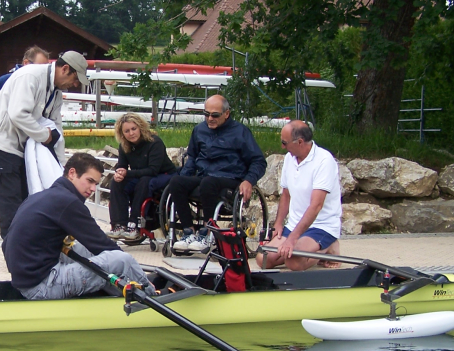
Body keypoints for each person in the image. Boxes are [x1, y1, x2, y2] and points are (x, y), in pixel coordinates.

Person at [2, 152, 157, 300]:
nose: (93, 189)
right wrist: (134, 272)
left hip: (25, 282)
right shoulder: (67, 202)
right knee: (121, 260)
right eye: (90, 181)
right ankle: (152, 294)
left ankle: (118, 289)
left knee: (81, 248)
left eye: (96, 184)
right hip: (42, 287)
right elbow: (102, 244)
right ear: (72, 173)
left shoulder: (41, 196)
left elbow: (6, 244)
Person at [0, 50, 89, 239]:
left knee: (27, 203)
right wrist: (42, 136)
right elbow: (17, 113)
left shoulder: (56, 92)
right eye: (76, 80)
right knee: (10, 205)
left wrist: (60, 165)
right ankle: (14, 256)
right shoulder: (30, 76)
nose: (75, 85)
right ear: (65, 69)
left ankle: (26, 250)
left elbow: (56, 129)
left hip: (22, 148)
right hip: (1, 145)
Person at [171, 94, 267, 253]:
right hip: (204, 177)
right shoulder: (199, 130)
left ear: (226, 114)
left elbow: (259, 161)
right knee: (176, 182)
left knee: (208, 182)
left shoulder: (240, 132)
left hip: (230, 178)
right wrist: (184, 178)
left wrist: (249, 180)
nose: (210, 118)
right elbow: (192, 158)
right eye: (206, 114)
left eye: (215, 115)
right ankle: (189, 232)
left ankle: (209, 232)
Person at [256, 120, 341, 271]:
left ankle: (326, 247)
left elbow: (316, 206)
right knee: (263, 259)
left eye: (284, 142)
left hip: (321, 225)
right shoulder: (290, 158)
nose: (282, 146)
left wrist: (292, 239)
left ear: (300, 142)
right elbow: (286, 195)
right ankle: (302, 248)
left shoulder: (324, 161)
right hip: (294, 224)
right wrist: (278, 224)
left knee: (294, 263)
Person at [106, 113, 176, 240]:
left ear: (140, 128)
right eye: (127, 131)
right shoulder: (124, 146)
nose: (131, 133)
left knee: (145, 182)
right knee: (116, 183)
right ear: (122, 134)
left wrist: (128, 173)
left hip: (164, 174)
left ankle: (135, 224)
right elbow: (122, 165)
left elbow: (153, 170)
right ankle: (119, 224)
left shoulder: (155, 142)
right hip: (141, 175)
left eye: (134, 129)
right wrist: (119, 173)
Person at [0, 46, 50, 117]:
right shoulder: (8, 79)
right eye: (39, 67)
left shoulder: (40, 85)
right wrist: (3, 122)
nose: (42, 72)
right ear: (26, 63)